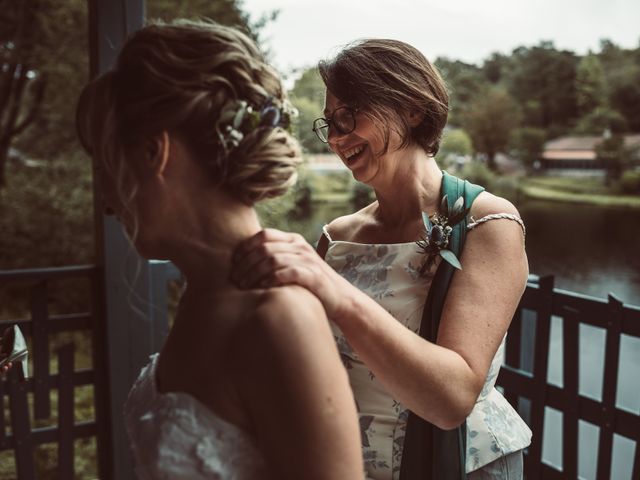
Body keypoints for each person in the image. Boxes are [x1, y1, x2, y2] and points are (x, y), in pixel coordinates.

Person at [76, 20, 363, 480]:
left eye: (108, 166)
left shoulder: (278, 317)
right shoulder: (203, 292)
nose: (107, 202)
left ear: (154, 153)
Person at [232, 39, 532, 479]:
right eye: (329, 123)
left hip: (465, 467)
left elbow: (451, 401)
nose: (336, 137)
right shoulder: (337, 237)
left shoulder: (489, 223)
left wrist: (330, 289)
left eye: (349, 115)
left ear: (411, 108)